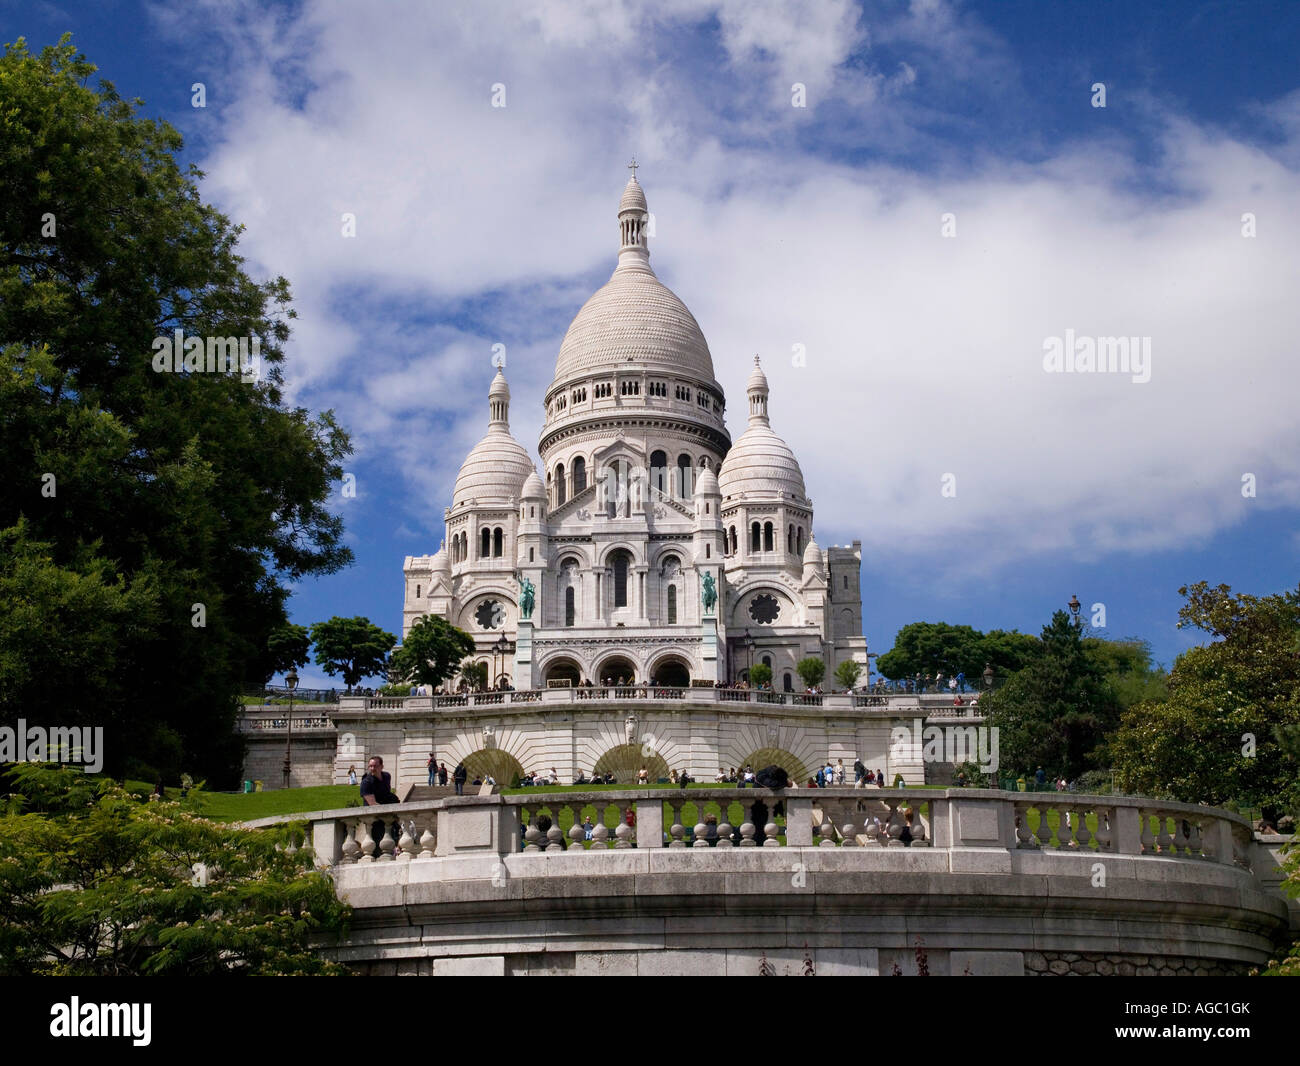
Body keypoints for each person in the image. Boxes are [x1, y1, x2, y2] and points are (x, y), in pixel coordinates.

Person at [360, 756, 400, 853]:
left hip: (388, 816)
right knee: (378, 848)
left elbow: (386, 794)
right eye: (370, 766)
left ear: (382, 766)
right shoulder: (366, 782)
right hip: (374, 819)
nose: (372, 769)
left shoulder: (387, 776)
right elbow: (372, 804)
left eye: (375, 766)